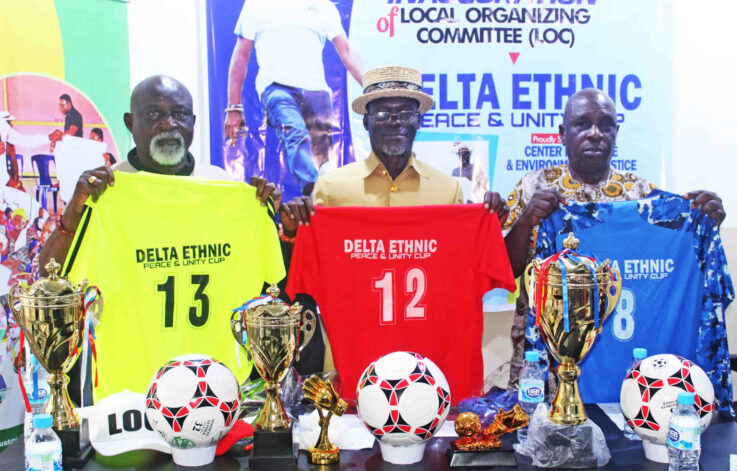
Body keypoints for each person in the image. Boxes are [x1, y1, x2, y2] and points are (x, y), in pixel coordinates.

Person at [503, 87, 726, 386]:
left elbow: (681, 262)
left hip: (623, 364)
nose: (595, 134)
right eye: (582, 124)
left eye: (605, 124)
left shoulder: (643, 197)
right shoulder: (534, 186)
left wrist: (705, 222)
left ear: (616, 132)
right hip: (542, 365)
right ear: (562, 133)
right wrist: (527, 220)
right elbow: (506, 271)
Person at [41, 74, 279, 274]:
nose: (169, 124)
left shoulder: (222, 186)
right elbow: (49, 275)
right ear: (130, 122)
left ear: (193, 122)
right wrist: (74, 212)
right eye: (154, 115)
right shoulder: (104, 191)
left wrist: (270, 218)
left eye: (180, 114)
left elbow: (263, 277)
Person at [280, 66, 509, 227]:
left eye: (406, 113)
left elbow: (462, 258)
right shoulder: (330, 189)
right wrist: (292, 227)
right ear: (366, 122)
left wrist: (489, 221)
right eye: (382, 113)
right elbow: (312, 264)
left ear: (418, 121)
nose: (394, 121)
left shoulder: (448, 191)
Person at [225, 0, 365, 193]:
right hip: (276, 88)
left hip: (317, 93)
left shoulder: (323, 6)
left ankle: (321, 203)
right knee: (295, 132)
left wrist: (371, 87)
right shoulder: (256, 4)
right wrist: (233, 107)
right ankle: (314, 190)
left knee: (323, 164)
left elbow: (346, 50)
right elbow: (241, 55)